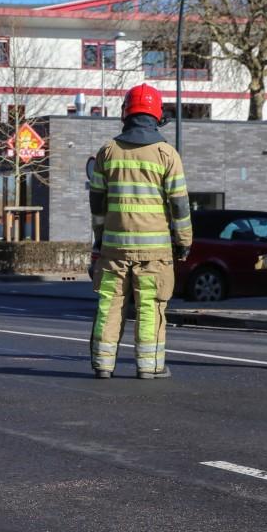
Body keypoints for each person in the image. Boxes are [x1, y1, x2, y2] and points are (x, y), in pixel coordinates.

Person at [88, 83, 191, 380]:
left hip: (113, 250)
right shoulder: (166, 154)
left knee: (110, 305)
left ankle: (103, 364)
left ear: (126, 113)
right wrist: (183, 243)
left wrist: (100, 239)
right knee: (150, 306)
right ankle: (149, 366)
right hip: (154, 252)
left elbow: (97, 204)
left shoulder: (107, 152)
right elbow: (180, 207)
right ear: (157, 115)